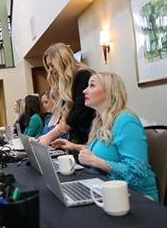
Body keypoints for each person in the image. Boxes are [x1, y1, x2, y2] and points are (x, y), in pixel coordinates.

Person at [76, 72, 158, 200]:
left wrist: (94, 161)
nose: (84, 91)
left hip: (138, 198)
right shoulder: (100, 122)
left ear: (109, 91)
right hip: (110, 192)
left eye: (92, 85)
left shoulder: (126, 121)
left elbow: (137, 177)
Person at [38, 43, 95, 156]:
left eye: (52, 65)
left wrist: (51, 135)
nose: (50, 70)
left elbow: (77, 113)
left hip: (90, 139)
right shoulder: (67, 83)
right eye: (48, 67)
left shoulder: (83, 76)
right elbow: (67, 115)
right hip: (76, 140)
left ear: (63, 61)